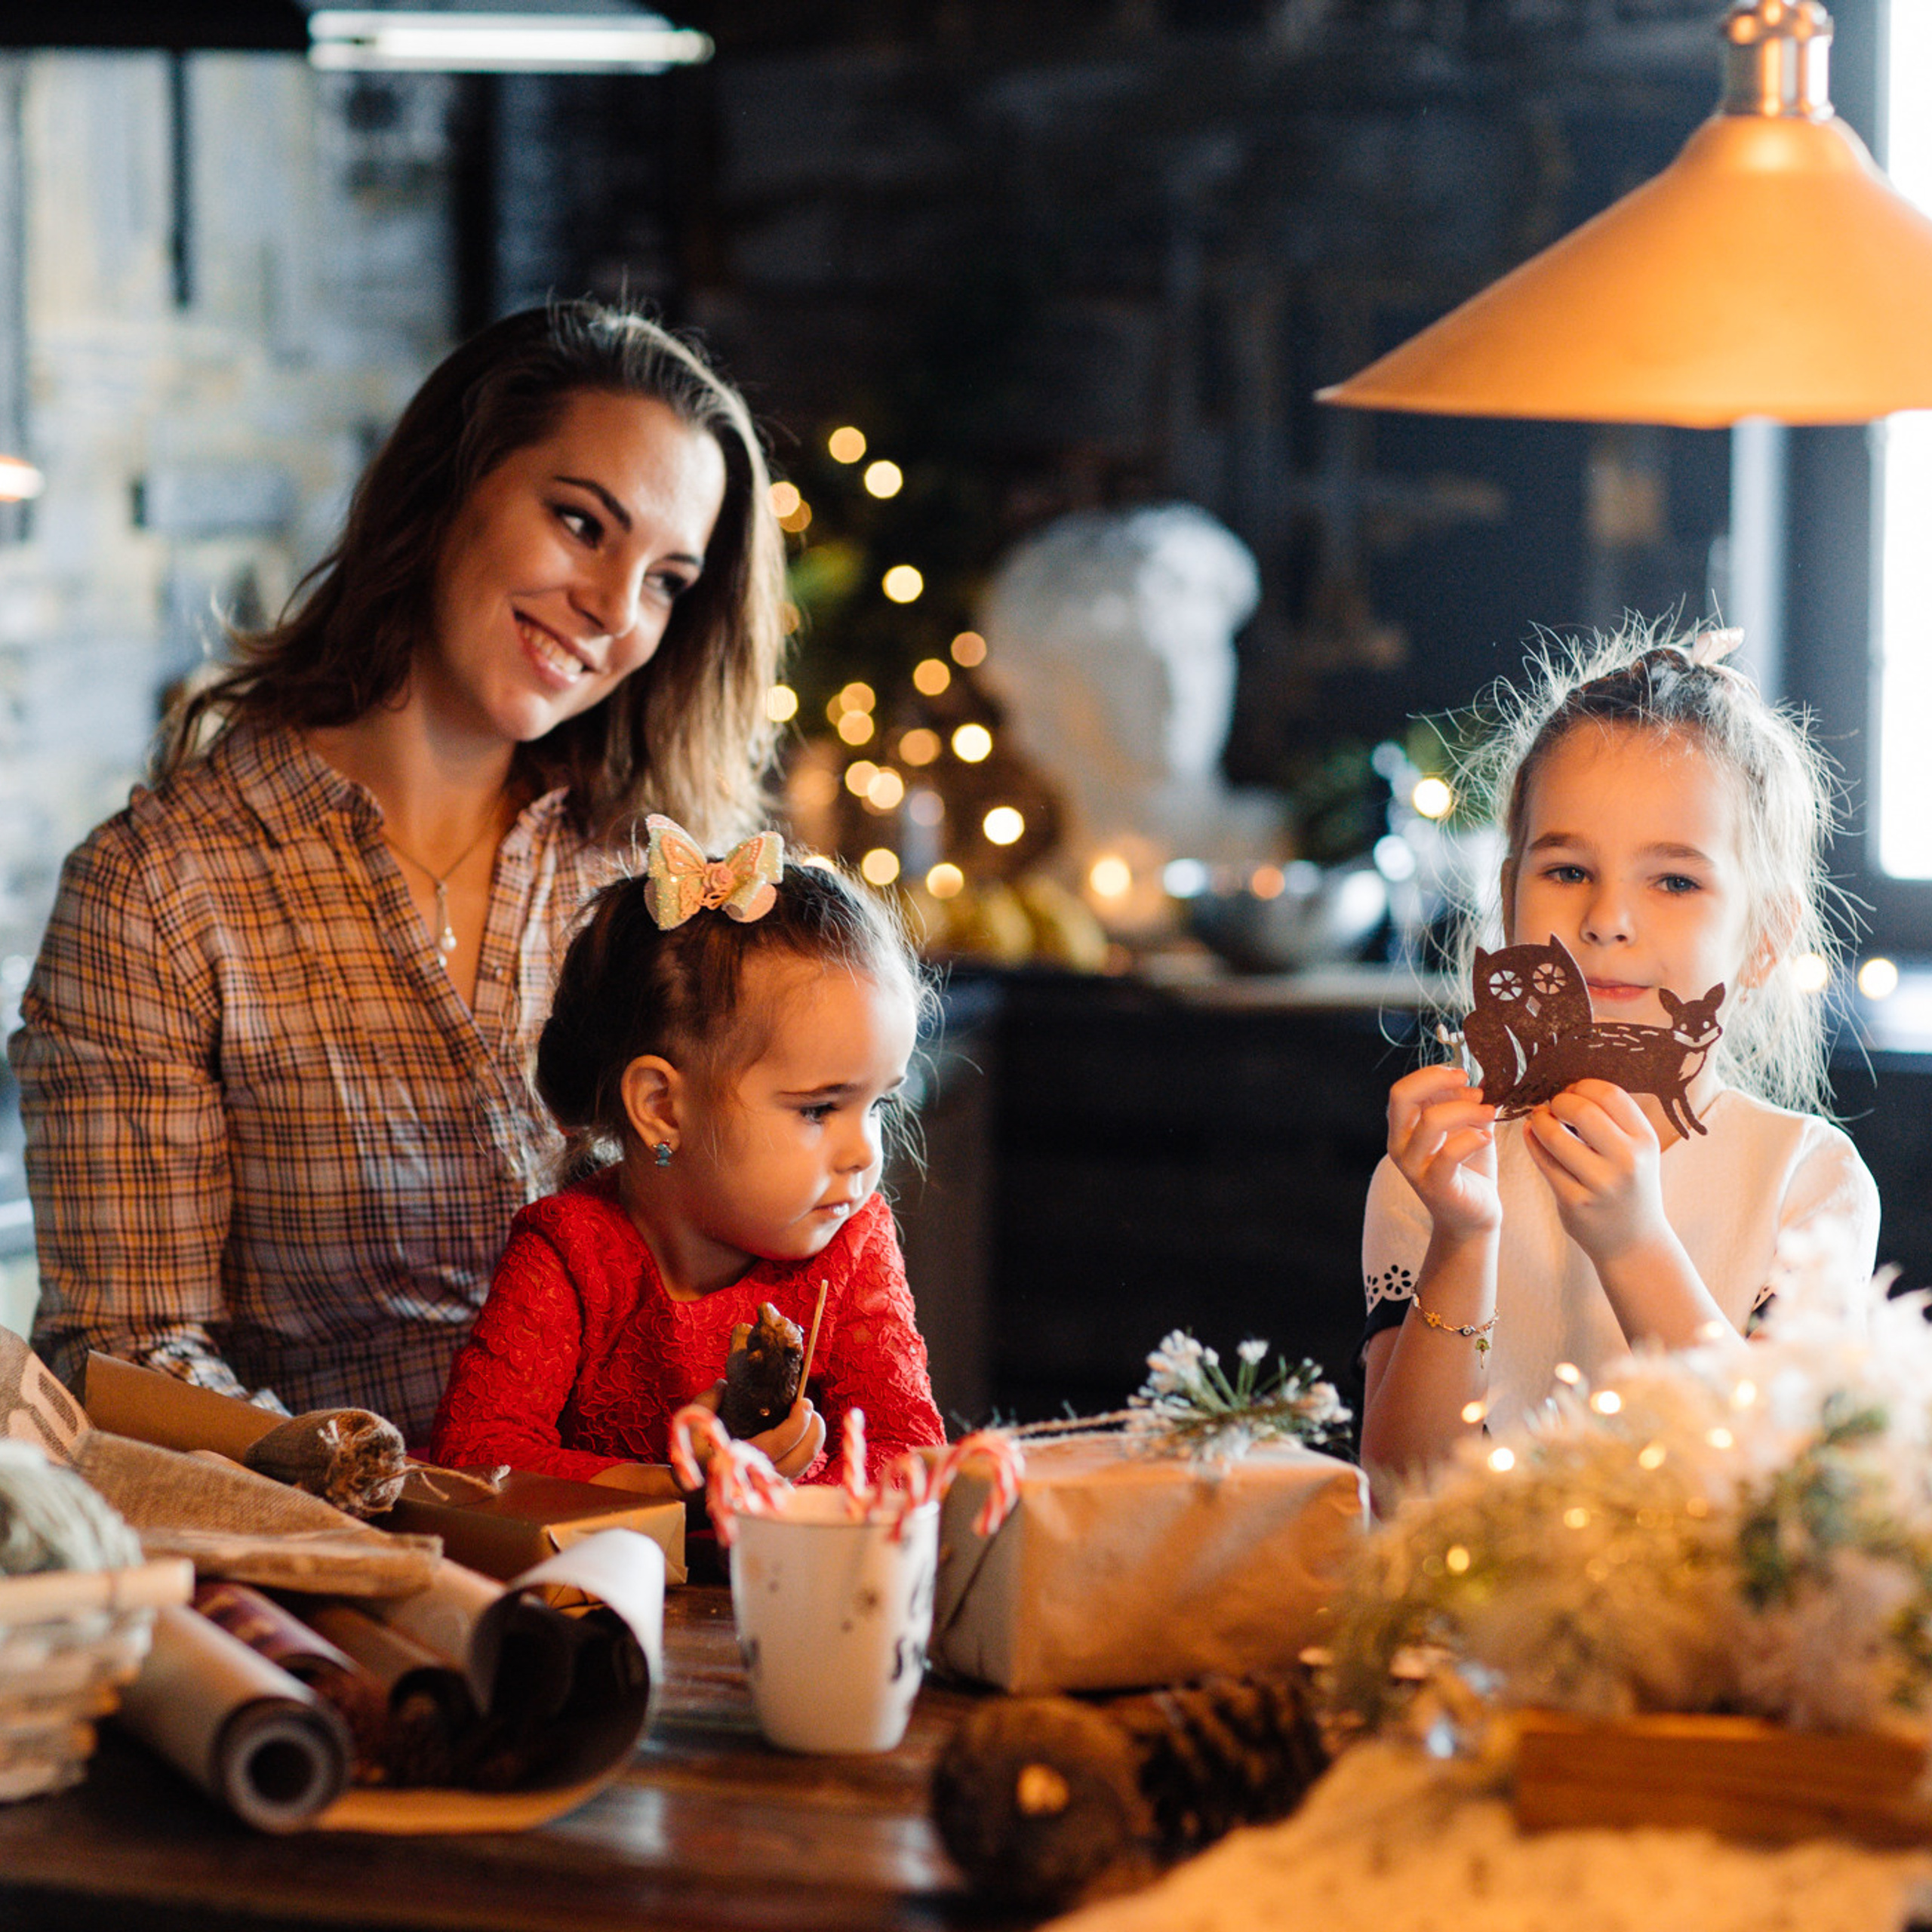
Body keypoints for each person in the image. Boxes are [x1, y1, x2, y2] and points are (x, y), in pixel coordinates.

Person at [10, 300, 786, 1444]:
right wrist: (384, 1494)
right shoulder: (162, 888)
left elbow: (772, 1239)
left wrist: (764, 1407)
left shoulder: (664, 880)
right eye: (580, 523)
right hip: (335, 1581)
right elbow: (123, 1359)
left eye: (669, 580)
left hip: (664, 1554)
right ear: (442, 491)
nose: (617, 612)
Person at [1359, 623, 1880, 1484]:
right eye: (1566, 870)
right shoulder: (1438, 1175)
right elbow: (1400, 1498)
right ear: (1508, 897)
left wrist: (1634, 1242)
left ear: (1764, 937)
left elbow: (1784, 1496)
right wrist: (1463, 1236)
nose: (1606, 918)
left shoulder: (1806, 1181)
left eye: (1674, 881)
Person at [429, 822, 946, 1491]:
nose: (862, 1155)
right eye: (819, 1109)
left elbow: (909, 1457)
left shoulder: (851, 1247)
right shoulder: (571, 1253)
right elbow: (474, 1454)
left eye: (876, 1107)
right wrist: (681, 1487)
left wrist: (800, 1476)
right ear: (663, 1108)